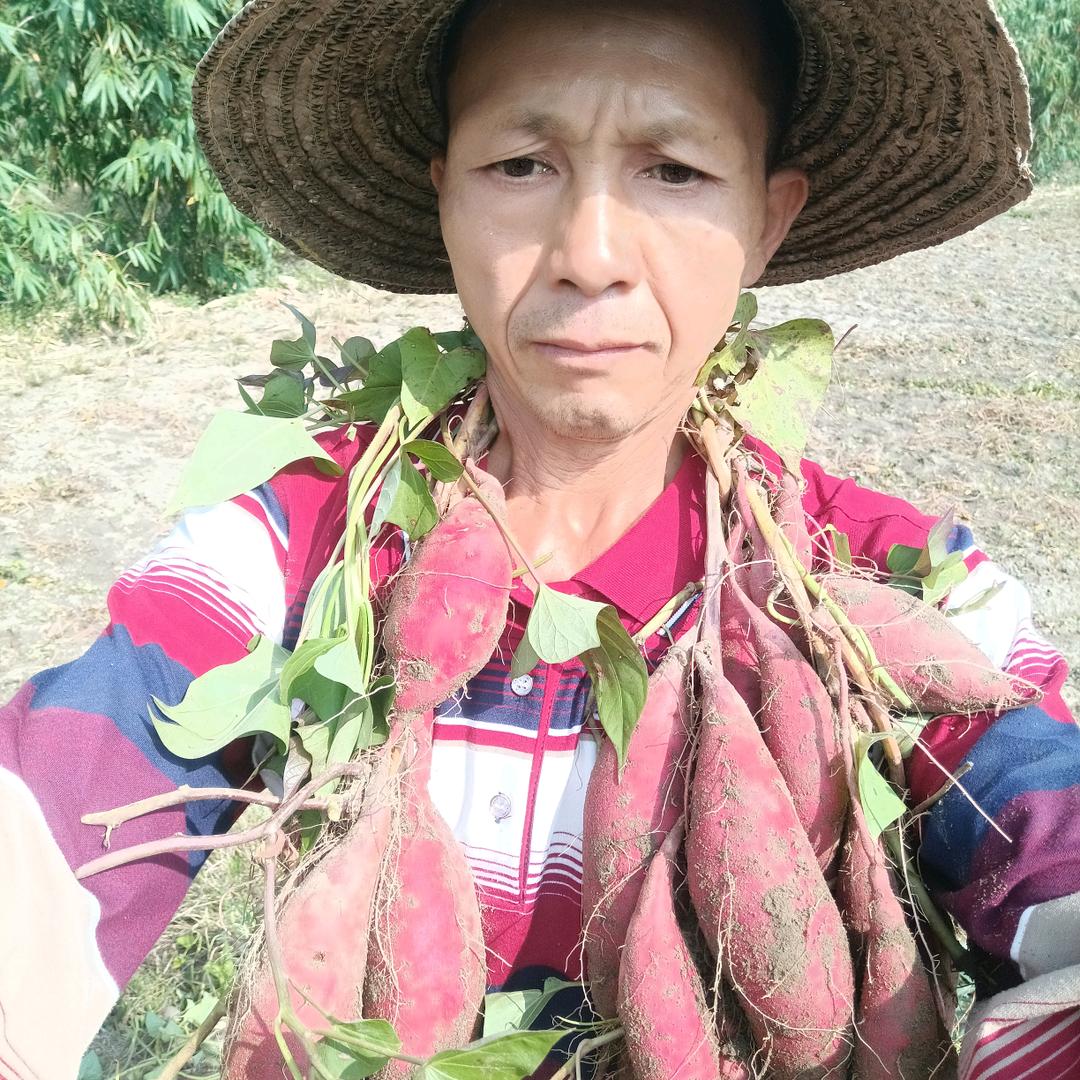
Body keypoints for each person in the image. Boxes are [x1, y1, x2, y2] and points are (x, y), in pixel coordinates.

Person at [2, 0, 1078, 1076]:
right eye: (521, 165)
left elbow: (1043, 806)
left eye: (675, 170)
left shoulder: (874, 580)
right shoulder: (312, 541)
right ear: (446, 203)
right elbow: (68, 780)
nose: (590, 255)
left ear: (768, 218)